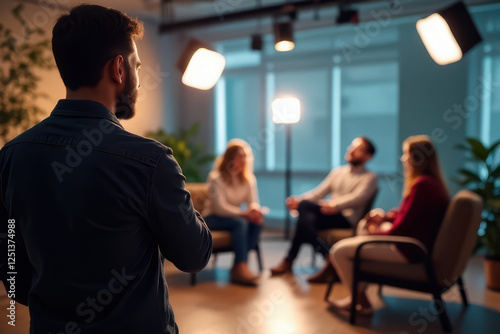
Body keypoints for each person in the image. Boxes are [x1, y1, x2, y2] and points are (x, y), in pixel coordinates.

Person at [0, 5, 212, 333]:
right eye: (137, 66)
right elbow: (194, 256)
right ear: (119, 68)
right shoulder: (150, 161)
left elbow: (11, 263)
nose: (139, 78)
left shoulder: (11, 155)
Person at [329, 135, 450, 315]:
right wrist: (386, 218)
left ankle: (360, 299)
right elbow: (411, 217)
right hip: (412, 243)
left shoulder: (422, 186)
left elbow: (401, 229)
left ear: (416, 158)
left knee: (338, 251)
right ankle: (359, 294)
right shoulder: (431, 184)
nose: (403, 159)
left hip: (408, 248)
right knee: (364, 225)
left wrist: (376, 233)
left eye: (405, 154)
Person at [270, 137, 378, 282]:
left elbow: (358, 198)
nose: (351, 150)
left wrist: (336, 205)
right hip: (329, 214)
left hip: (347, 219)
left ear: (367, 156)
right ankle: (329, 259)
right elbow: (318, 193)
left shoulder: (370, 177)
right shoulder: (337, 172)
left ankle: (289, 261)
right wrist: (299, 200)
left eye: (357, 149)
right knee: (304, 215)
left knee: (304, 214)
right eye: (351, 146)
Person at [203, 139, 264, 286]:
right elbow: (220, 208)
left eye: (244, 156)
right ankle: (241, 267)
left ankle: (239, 265)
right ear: (229, 158)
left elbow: (253, 201)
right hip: (212, 218)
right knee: (240, 223)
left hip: (234, 218)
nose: (243, 159)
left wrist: (254, 210)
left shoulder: (248, 179)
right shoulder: (216, 177)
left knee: (257, 223)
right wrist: (244, 214)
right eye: (239, 156)